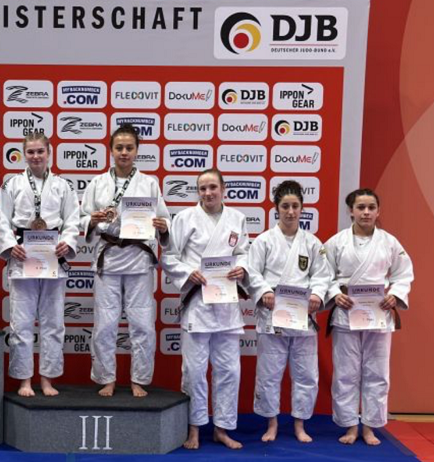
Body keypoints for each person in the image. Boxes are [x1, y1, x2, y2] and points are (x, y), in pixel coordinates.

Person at [161, 168, 249, 450]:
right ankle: (194, 428)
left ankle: (222, 428)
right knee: (194, 371)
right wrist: (189, 272)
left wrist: (242, 268)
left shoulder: (237, 218)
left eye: (213, 187)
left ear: (224, 189)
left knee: (229, 371)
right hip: (198, 304)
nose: (208, 193)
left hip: (226, 306)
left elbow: (244, 253)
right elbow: (169, 256)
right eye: (202, 188)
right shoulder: (185, 218)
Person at [80, 125, 170, 398]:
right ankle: (106, 378)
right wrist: (91, 221)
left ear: (137, 151)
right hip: (108, 258)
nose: (124, 152)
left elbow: (165, 219)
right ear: (111, 150)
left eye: (129, 147)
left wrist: (162, 226)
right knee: (105, 324)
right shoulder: (97, 183)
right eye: (119, 147)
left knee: (142, 324)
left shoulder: (149, 183)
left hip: (139, 259)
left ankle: (139, 379)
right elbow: (81, 219)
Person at [324, 188, 413, 446]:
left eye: (371, 207)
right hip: (346, 312)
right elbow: (323, 274)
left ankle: (371, 426)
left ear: (378, 211)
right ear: (350, 211)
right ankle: (350, 425)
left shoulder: (390, 242)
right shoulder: (336, 242)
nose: (366, 212)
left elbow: (404, 274)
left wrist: (394, 295)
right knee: (346, 372)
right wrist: (334, 293)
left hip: (378, 313)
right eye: (360, 207)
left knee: (377, 372)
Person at [246, 180, 331, 443]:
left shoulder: (313, 243)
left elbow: (322, 275)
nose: (291, 211)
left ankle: (299, 424)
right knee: (269, 374)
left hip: (302, 316)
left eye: (295, 206)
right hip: (272, 315)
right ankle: (271, 423)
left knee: (306, 374)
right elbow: (252, 272)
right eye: (285, 206)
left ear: (302, 208)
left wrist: (317, 294)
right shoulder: (264, 241)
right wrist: (264, 291)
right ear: (277, 209)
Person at [0, 133, 79, 397]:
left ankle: (46, 379)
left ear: (49, 152)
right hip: (24, 256)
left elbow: (72, 220)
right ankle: (24, 380)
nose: (35, 156)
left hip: (52, 256)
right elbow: (2, 220)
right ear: (24, 154)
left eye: (40, 151)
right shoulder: (12, 184)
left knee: (53, 322)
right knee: (21, 323)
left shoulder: (63, 186)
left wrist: (67, 242)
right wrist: (11, 245)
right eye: (30, 152)